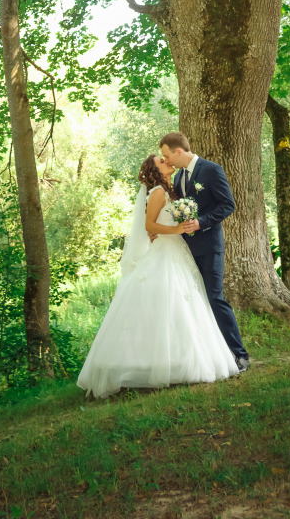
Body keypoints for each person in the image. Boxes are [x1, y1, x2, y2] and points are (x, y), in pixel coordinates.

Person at [77, 154, 240, 399]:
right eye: (162, 161)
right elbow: (149, 226)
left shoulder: (171, 189)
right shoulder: (157, 192)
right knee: (163, 303)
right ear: (156, 169)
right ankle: (146, 365)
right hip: (164, 251)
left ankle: (180, 360)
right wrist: (176, 229)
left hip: (177, 250)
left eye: (167, 157)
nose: (167, 161)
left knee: (184, 304)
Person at [159, 132, 250, 372]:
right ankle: (210, 355)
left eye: (167, 156)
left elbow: (228, 204)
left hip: (210, 247)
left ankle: (240, 355)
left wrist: (201, 222)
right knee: (195, 302)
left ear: (179, 151)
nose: (167, 161)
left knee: (215, 298)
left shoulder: (211, 170)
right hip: (186, 252)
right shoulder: (178, 178)